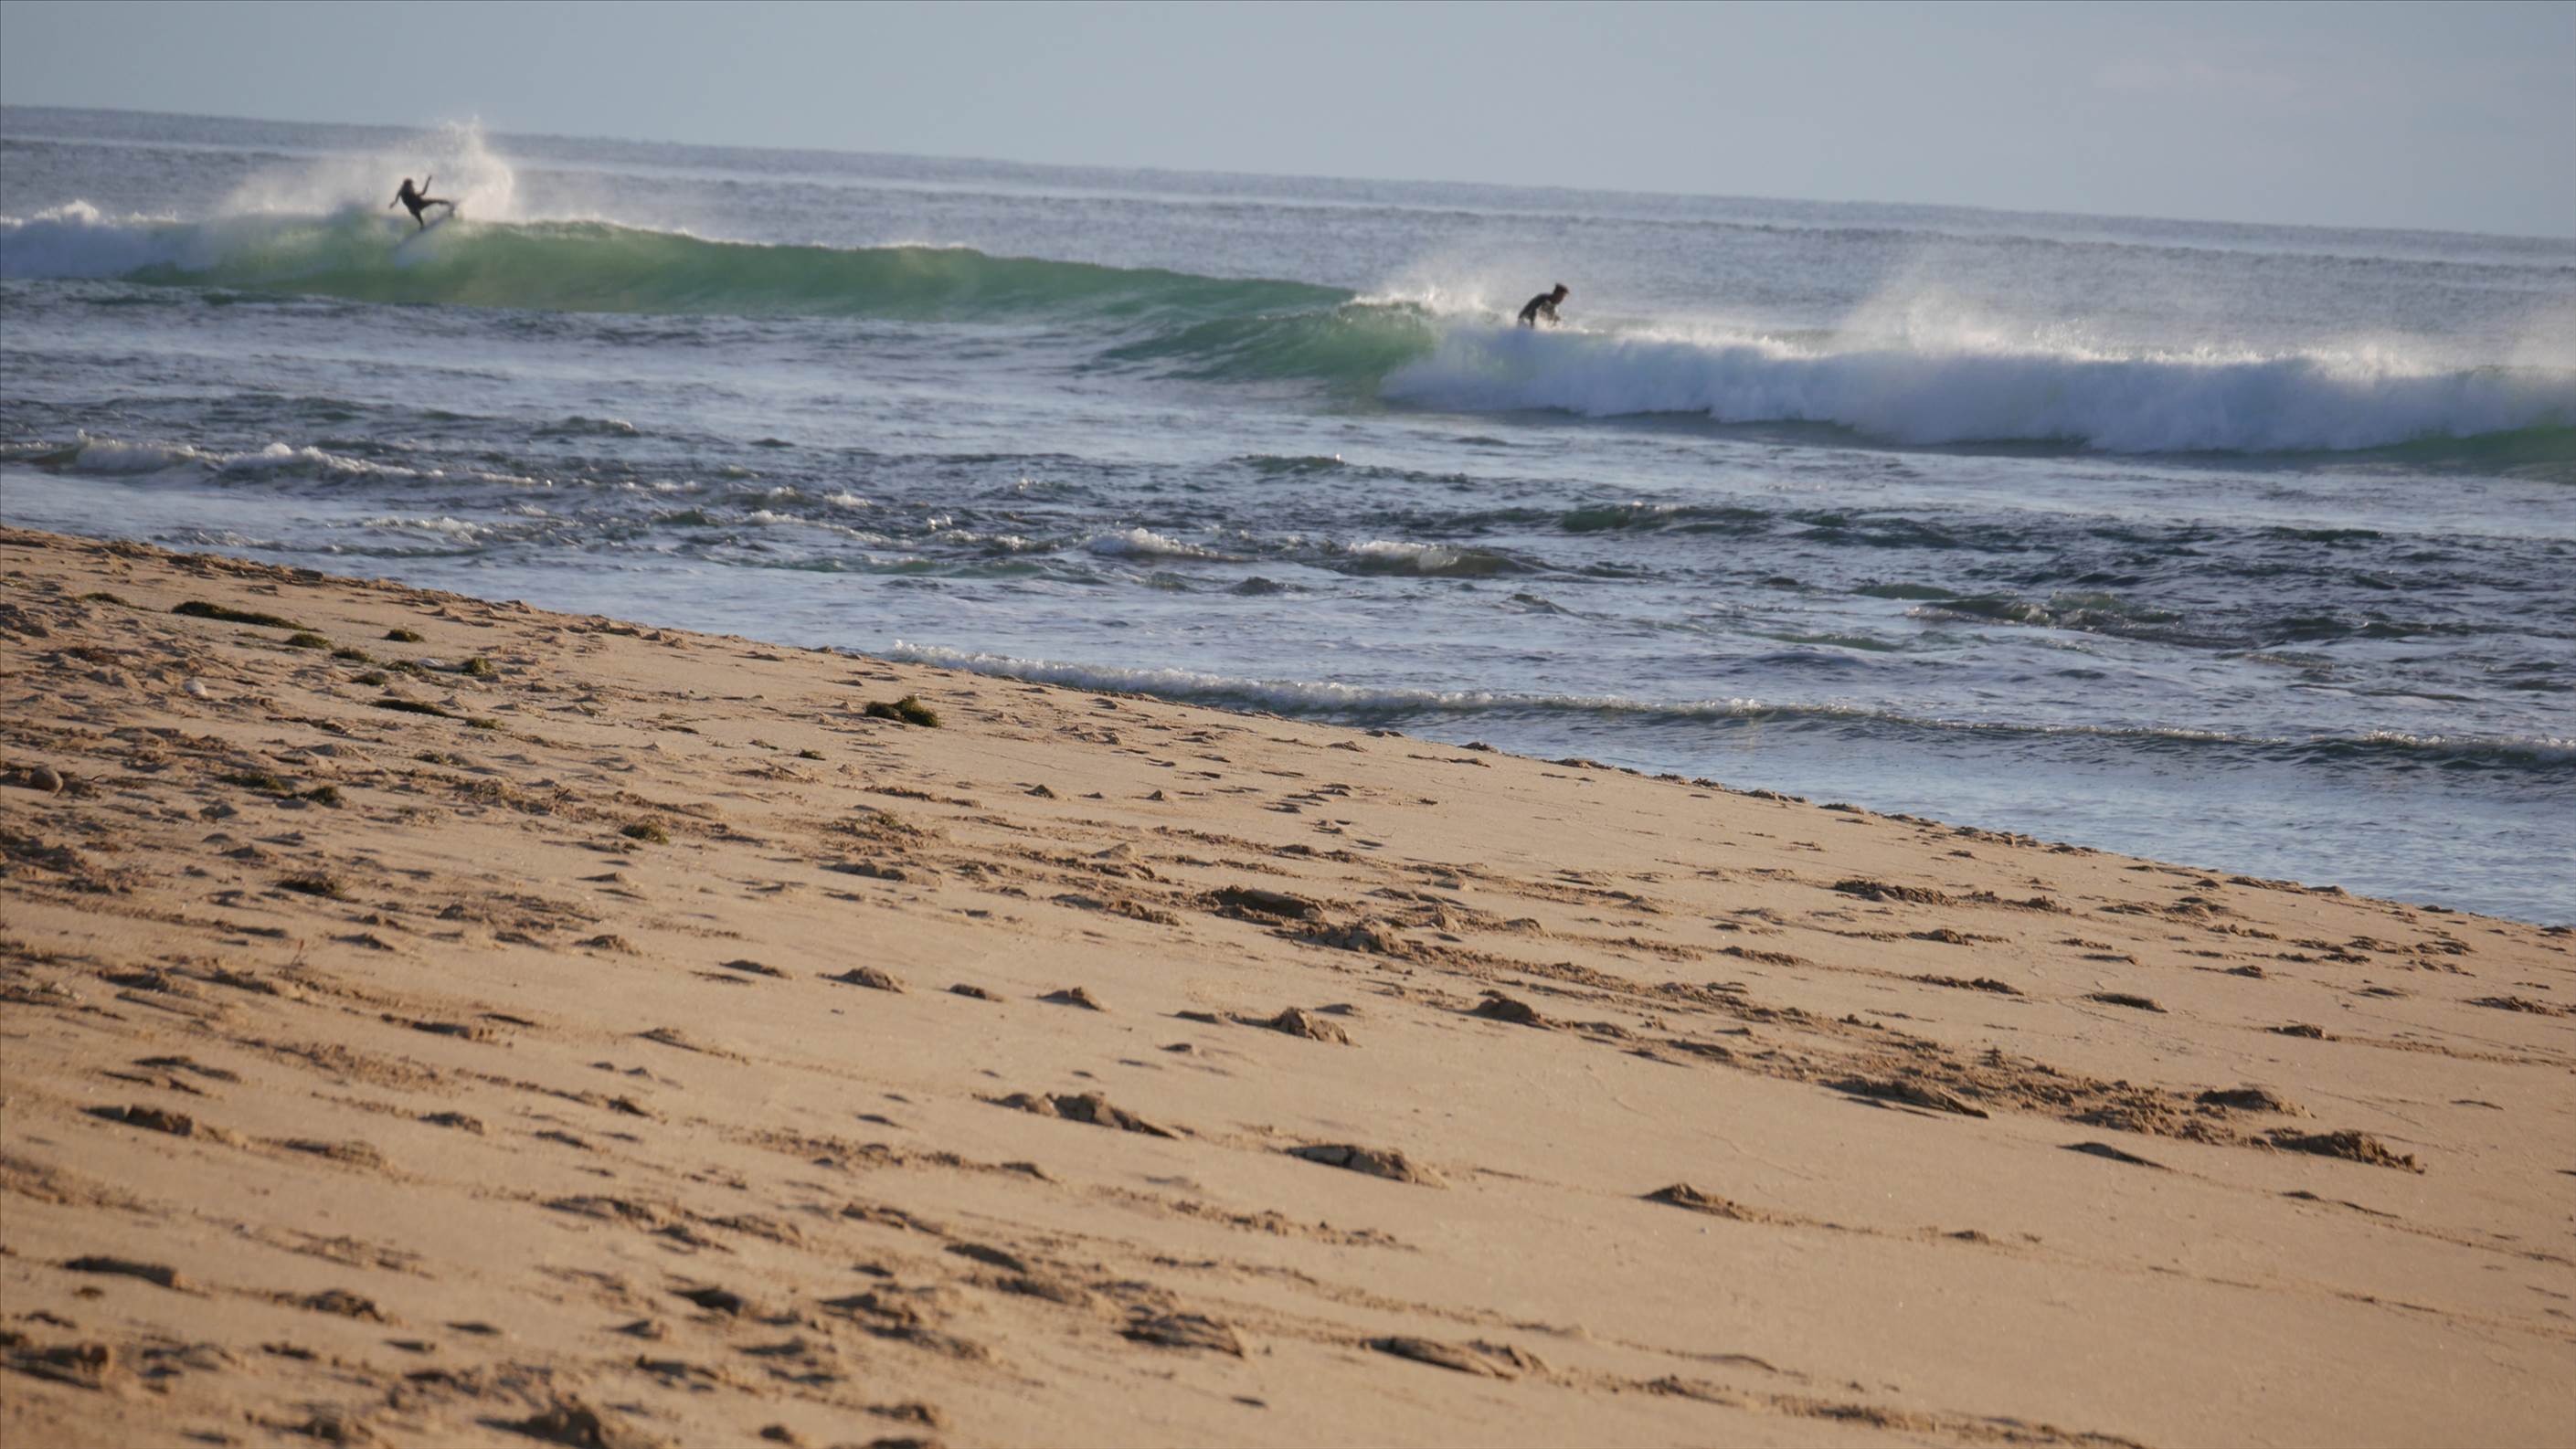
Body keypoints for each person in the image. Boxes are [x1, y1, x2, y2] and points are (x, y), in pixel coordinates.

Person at [389, 175, 455, 230]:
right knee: (416, 211)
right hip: (414, 208)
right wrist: (394, 203)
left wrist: (427, 181)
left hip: (419, 204)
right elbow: (396, 200)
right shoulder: (404, 190)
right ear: (407, 184)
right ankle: (422, 225)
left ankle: (450, 205)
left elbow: (423, 193)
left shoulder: (406, 190)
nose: (411, 185)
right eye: (410, 184)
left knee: (434, 201)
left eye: (411, 184)